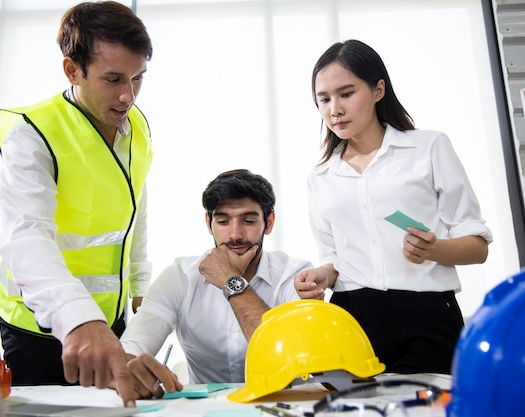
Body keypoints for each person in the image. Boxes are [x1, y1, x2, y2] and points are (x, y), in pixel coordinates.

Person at [294, 39, 493, 375]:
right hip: (351, 319)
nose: (334, 109)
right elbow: (333, 257)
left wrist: (435, 250)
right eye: (323, 99)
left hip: (426, 317)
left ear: (378, 90)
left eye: (346, 93)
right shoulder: (321, 176)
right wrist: (321, 276)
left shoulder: (429, 147)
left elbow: (477, 247)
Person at [0, 1, 153, 406]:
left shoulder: (135, 127)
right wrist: (79, 319)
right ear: (72, 70)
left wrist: (140, 287)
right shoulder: (32, 135)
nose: (127, 95)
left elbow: (135, 211)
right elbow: (26, 236)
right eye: (113, 78)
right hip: (41, 330)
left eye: (138, 78)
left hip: (109, 322)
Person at [119, 169, 313, 399]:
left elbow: (286, 357)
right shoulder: (179, 276)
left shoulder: (295, 276)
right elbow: (130, 348)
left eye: (248, 221)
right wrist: (133, 370)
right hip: (203, 410)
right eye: (223, 221)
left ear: (269, 223)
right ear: (208, 223)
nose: (235, 234)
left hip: (278, 405)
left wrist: (230, 281)